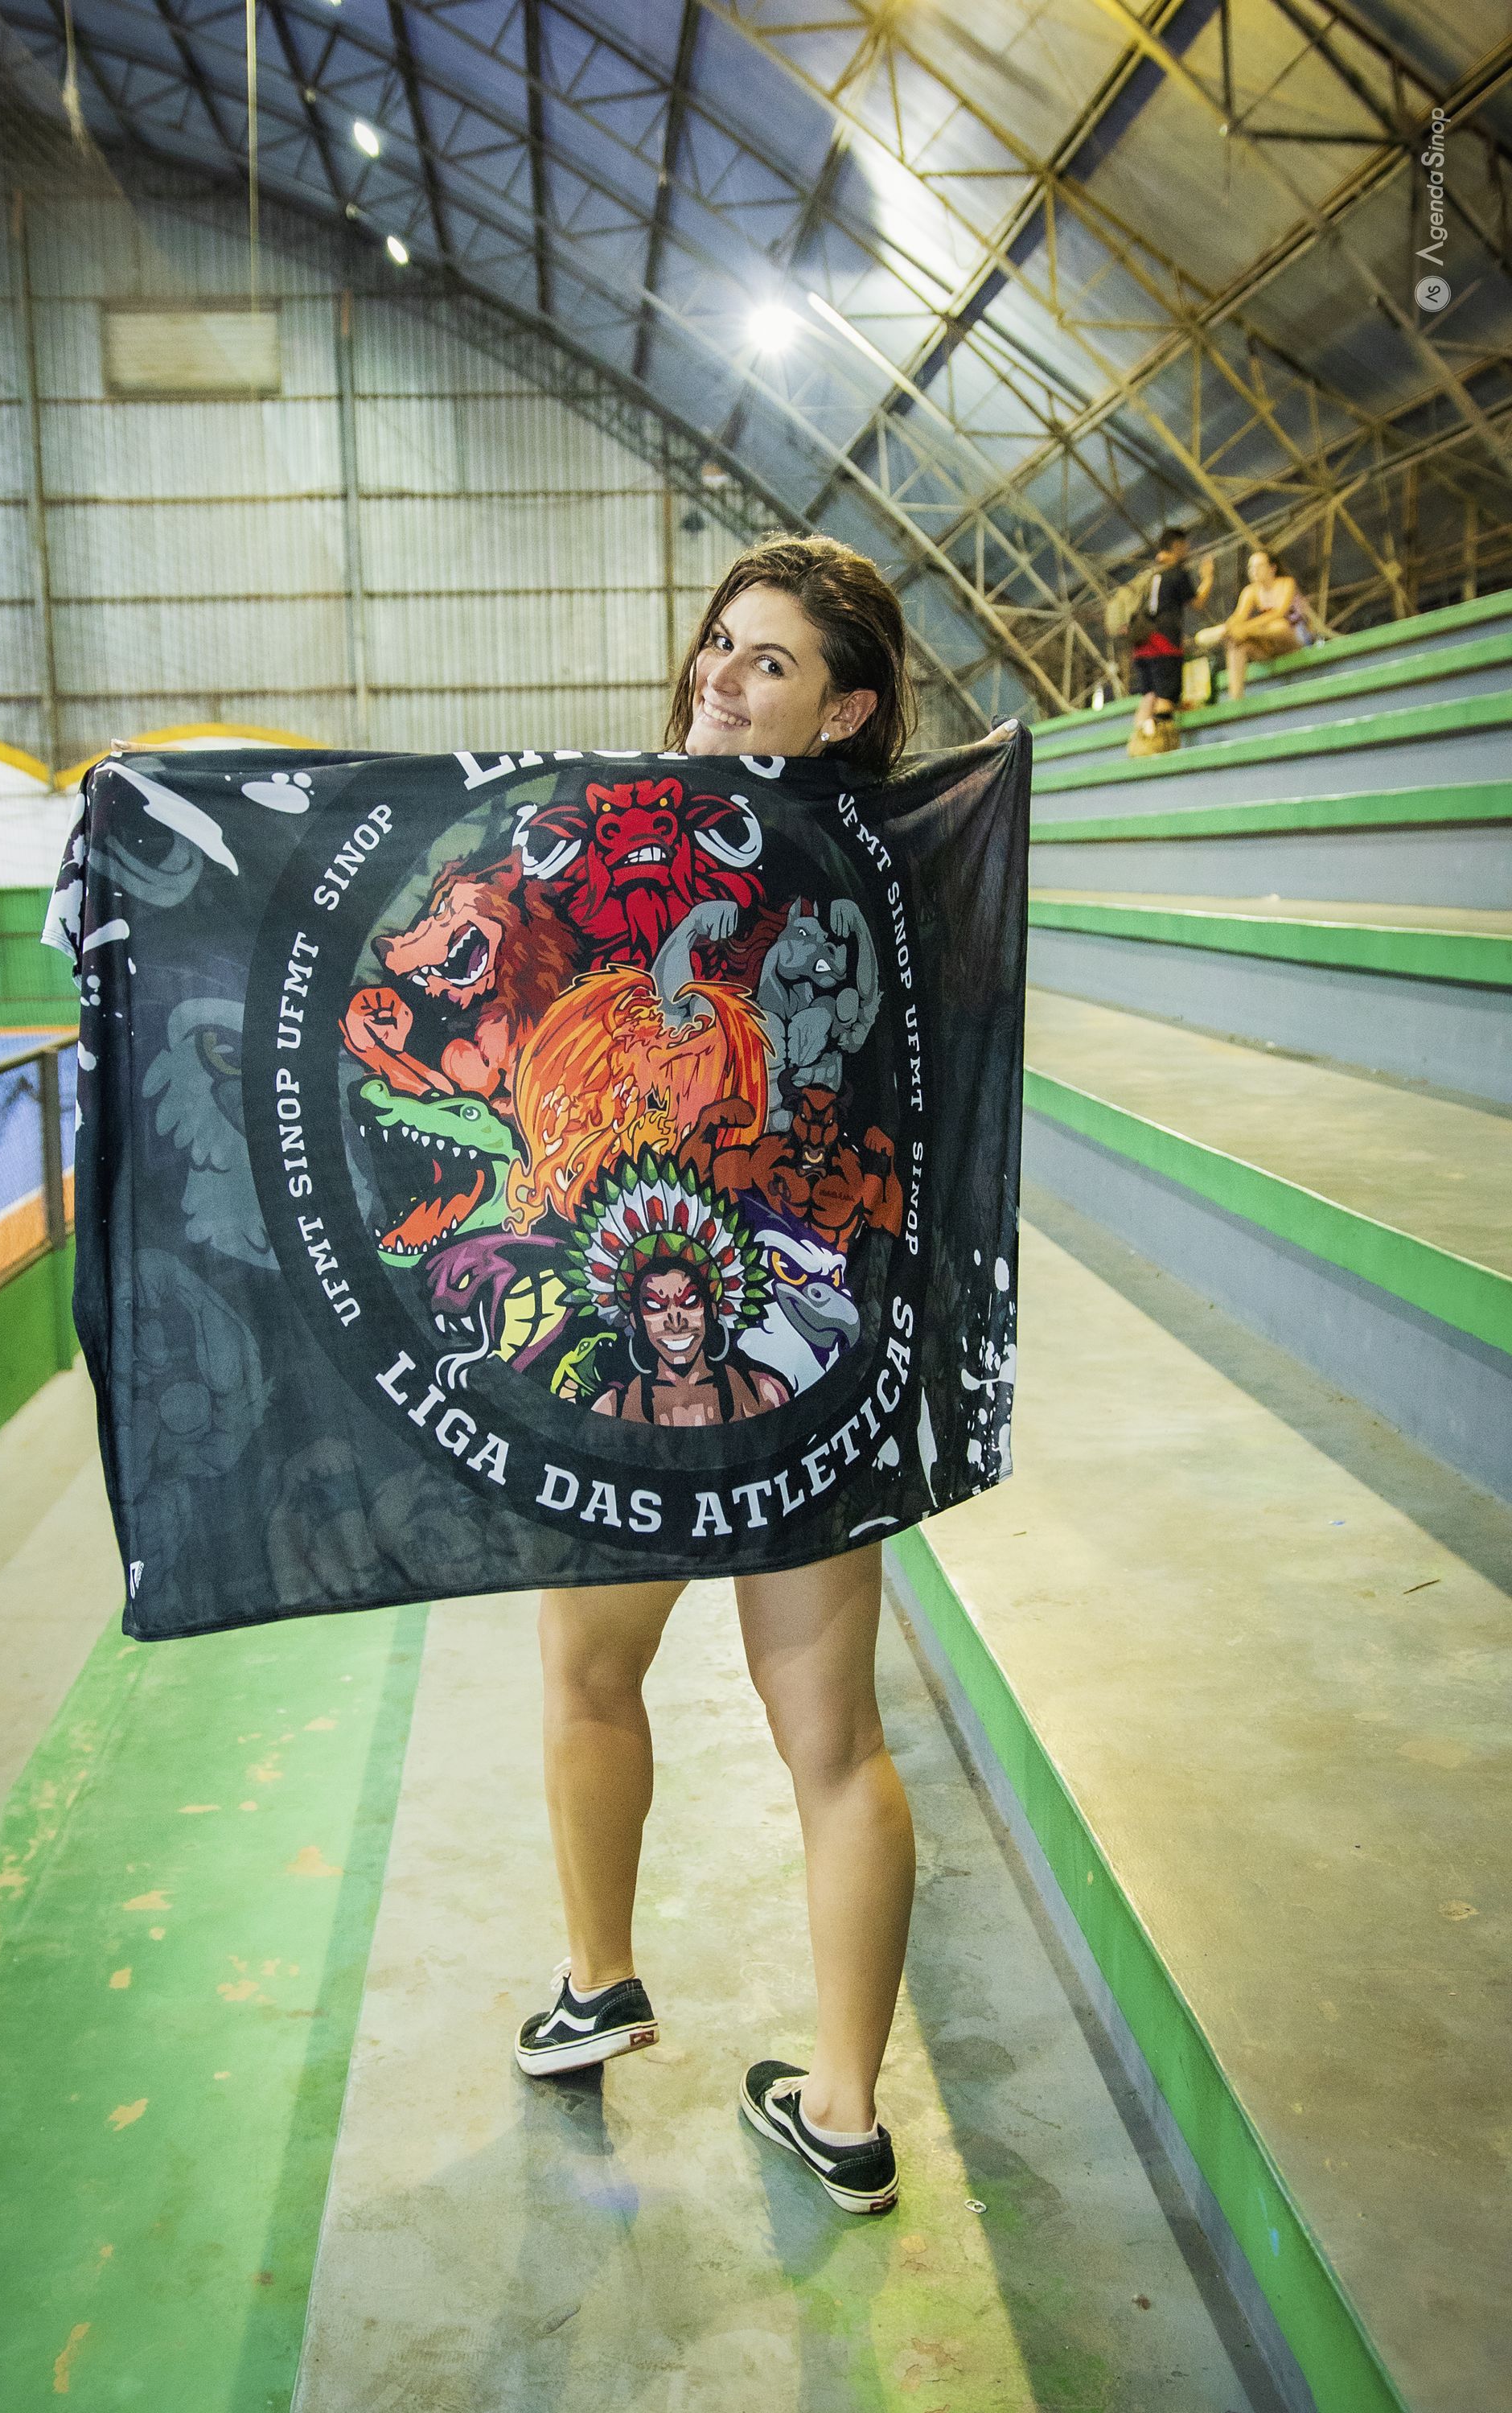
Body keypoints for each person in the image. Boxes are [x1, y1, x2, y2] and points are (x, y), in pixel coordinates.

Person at [515, 536, 914, 2218]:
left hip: (706, 1346)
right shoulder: (898, 874)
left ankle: (616, 1988)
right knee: (813, 1735)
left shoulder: (666, 848)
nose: (722, 678)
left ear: (848, 711)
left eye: (770, 662)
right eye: (720, 644)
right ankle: (832, 2105)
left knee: (639, 1687)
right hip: (799, 1355)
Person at [1128, 526, 1214, 743]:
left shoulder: (1149, 575)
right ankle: (1161, 744)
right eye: (1185, 546)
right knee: (1166, 696)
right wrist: (1207, 578)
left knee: (1149, 695)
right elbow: (1197, 603)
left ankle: (1138, 744)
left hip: (1141, 643)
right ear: (1176, 546)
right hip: (1164, 644)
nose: (1187, 550)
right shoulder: (1176, 573)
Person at [1201, 547, 1312, 700]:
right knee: (1237, 643)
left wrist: (1246, 629)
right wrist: (1230, 627)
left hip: (1295, 639)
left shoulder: (1286, 583)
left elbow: (1278, 613)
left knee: (1278, 626)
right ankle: (1236, 699)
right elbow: (1239, 616)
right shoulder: (1250, 591)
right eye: (1251, 568)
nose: (1254, 571)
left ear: (1272, 568)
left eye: (1259, 566)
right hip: (1269, 645)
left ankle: (1235, 632)